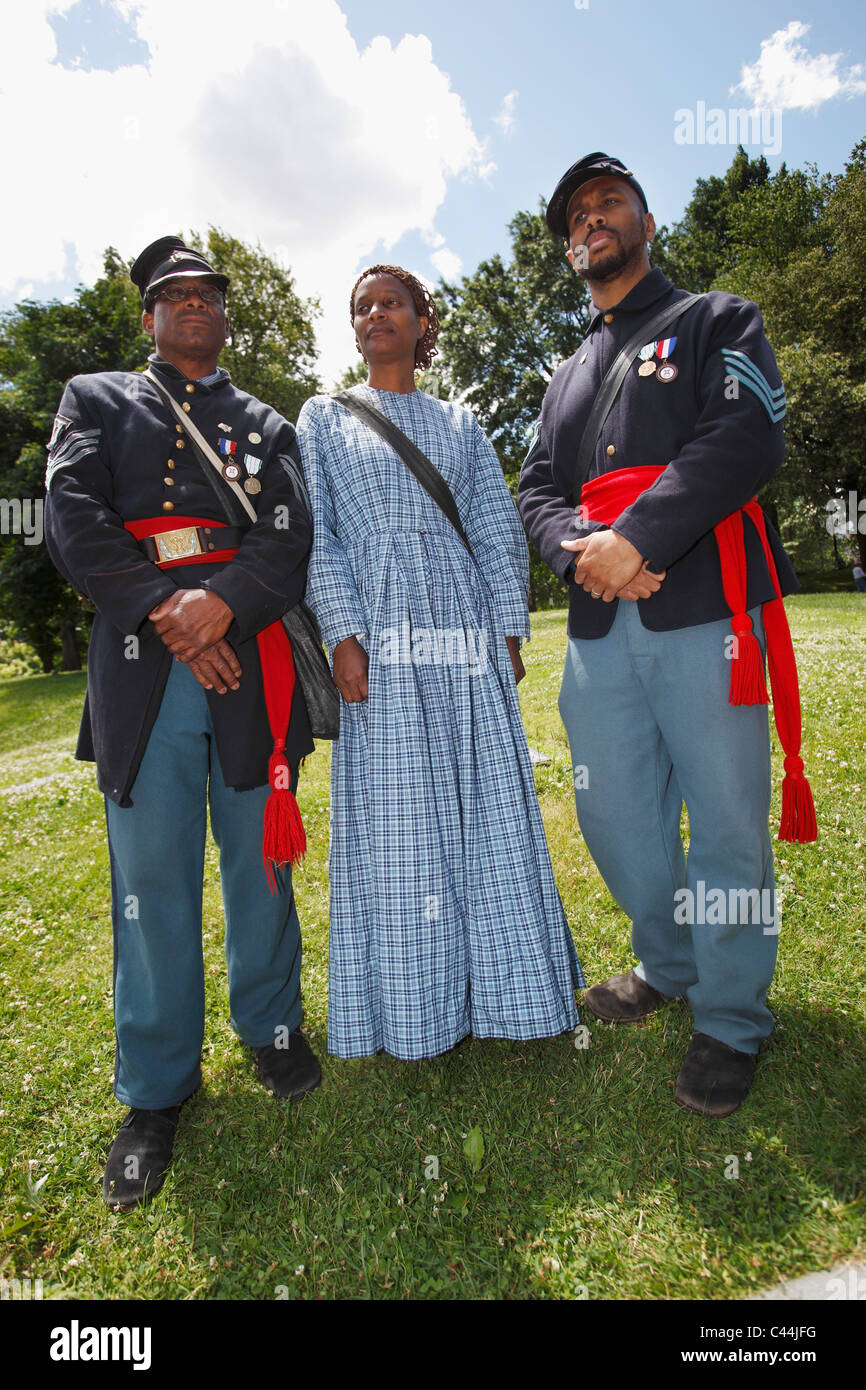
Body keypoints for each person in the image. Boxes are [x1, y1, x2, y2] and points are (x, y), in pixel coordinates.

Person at [518, 154, 816, 1117]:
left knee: (726, 820)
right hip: (601, 622)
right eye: (577, 215)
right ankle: (669, 959)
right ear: (569, 248)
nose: (591, 220)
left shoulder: (714, 320)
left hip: (703, 605)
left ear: (646, 220)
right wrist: (581, 550)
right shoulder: (565, 374)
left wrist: (637, 537)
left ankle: (731, 1018)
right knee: (614, 815)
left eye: (609, 203)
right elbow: (535, 489)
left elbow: (746, 433)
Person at [44, 236, 321, 1210]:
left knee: (260, 862)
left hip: (247, 661)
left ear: (224, 315)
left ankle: (273, 1026)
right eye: (175, 293)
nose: (194, 304)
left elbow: (288, 533)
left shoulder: (262, 421)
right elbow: (71, 519)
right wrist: (169, 613)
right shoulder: (97, 399)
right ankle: (156, 1090)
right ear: (150, 316)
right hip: (140, 666)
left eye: (209, 293)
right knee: (151, 883)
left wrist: (223, 605)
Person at [296, 264, 583, 1060]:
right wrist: (342, 632)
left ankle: (510, 994)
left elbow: (495, 529)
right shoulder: (321, 418)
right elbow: (317, 537)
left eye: (391, 302)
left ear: (424, 322)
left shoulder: (461, 424)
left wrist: (508, 634)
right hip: (378, 632)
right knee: (398, 815)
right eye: (362, 306)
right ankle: (414, 1010)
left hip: (462, 625)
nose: (375, 313)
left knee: (485, 801)